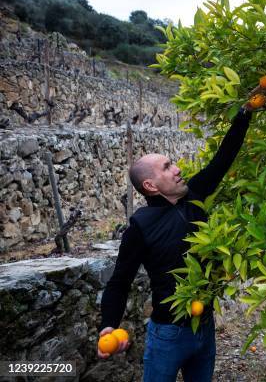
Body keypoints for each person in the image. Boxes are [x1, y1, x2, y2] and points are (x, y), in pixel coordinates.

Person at [97, 106, 253, 382]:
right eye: (167, 167)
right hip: (169, 334)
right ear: (151, 185)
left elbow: (223, 159)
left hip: (204, 325)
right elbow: (120, 281)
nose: (178, 168)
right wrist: (109, 325)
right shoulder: (141, 226)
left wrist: (245, 114)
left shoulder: (193, 195)